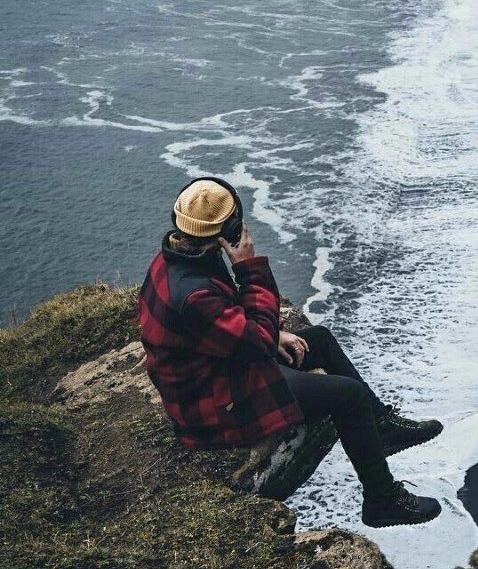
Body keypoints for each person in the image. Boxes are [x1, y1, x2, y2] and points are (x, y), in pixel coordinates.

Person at [137, 176, 443, 528]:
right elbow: (255, 343)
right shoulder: (193, 296)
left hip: (216, 370)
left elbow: (233, 329)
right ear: (231, 228)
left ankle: (383, 429)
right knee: (349, 396)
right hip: (214, 402)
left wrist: (271, 333)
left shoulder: (176, 259)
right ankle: (382, 499)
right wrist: (248, 269)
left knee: (320, 340)